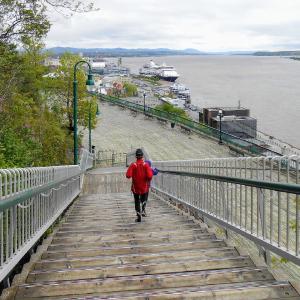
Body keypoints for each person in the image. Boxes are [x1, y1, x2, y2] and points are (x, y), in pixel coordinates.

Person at [126, 149, 153, 222]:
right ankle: (143, 209)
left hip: (136, 187)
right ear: (142, 156)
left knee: (137, 201)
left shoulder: (133, 165)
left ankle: (138, 217)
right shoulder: (146, 165)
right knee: (144, 199)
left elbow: (128, 175)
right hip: (144, 187)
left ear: (136, 156)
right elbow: (150, 176)